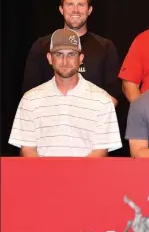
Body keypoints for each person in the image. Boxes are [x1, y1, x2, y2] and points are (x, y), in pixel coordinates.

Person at [9, 28, 122, 157]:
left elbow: (100, 152)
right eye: (59, 54)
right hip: (41, 176)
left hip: (86, 176)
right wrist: (44, 177)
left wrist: (76, 177)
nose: (65, 60)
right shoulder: (30, 100)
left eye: (71, 54)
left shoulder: (102, 100)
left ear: (81, 59)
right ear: (50, 58)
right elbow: (28, 150)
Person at [22, 0, 121, 106]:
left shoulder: (105, 47)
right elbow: (30, 93)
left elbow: (113, 96)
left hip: (91, 121)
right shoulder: (42, 46)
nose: (75, 10)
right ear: (61, 9)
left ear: (89, 10)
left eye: (81, 5)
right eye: (70, 4)